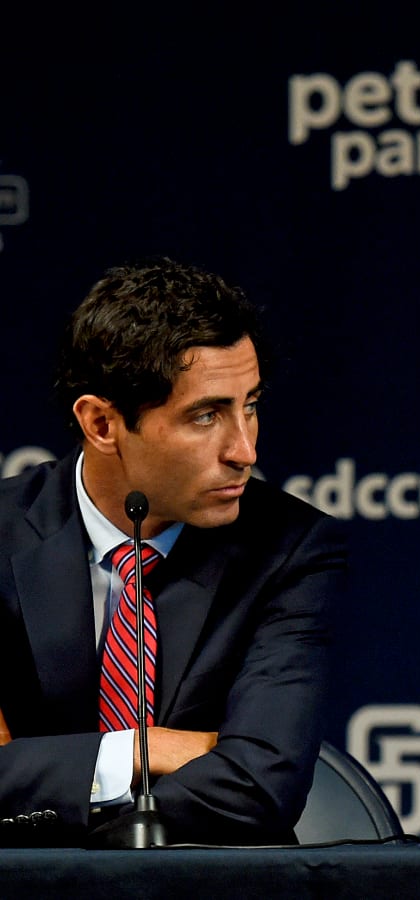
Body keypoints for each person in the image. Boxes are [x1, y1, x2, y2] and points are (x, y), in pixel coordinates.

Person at [0, 259, 346, 846]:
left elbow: (261, 786)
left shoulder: (290, 548)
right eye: (206, 415)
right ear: (103, 423)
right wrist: (147, 748)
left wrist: (48, 783)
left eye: (251, 405)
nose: (244, 448)